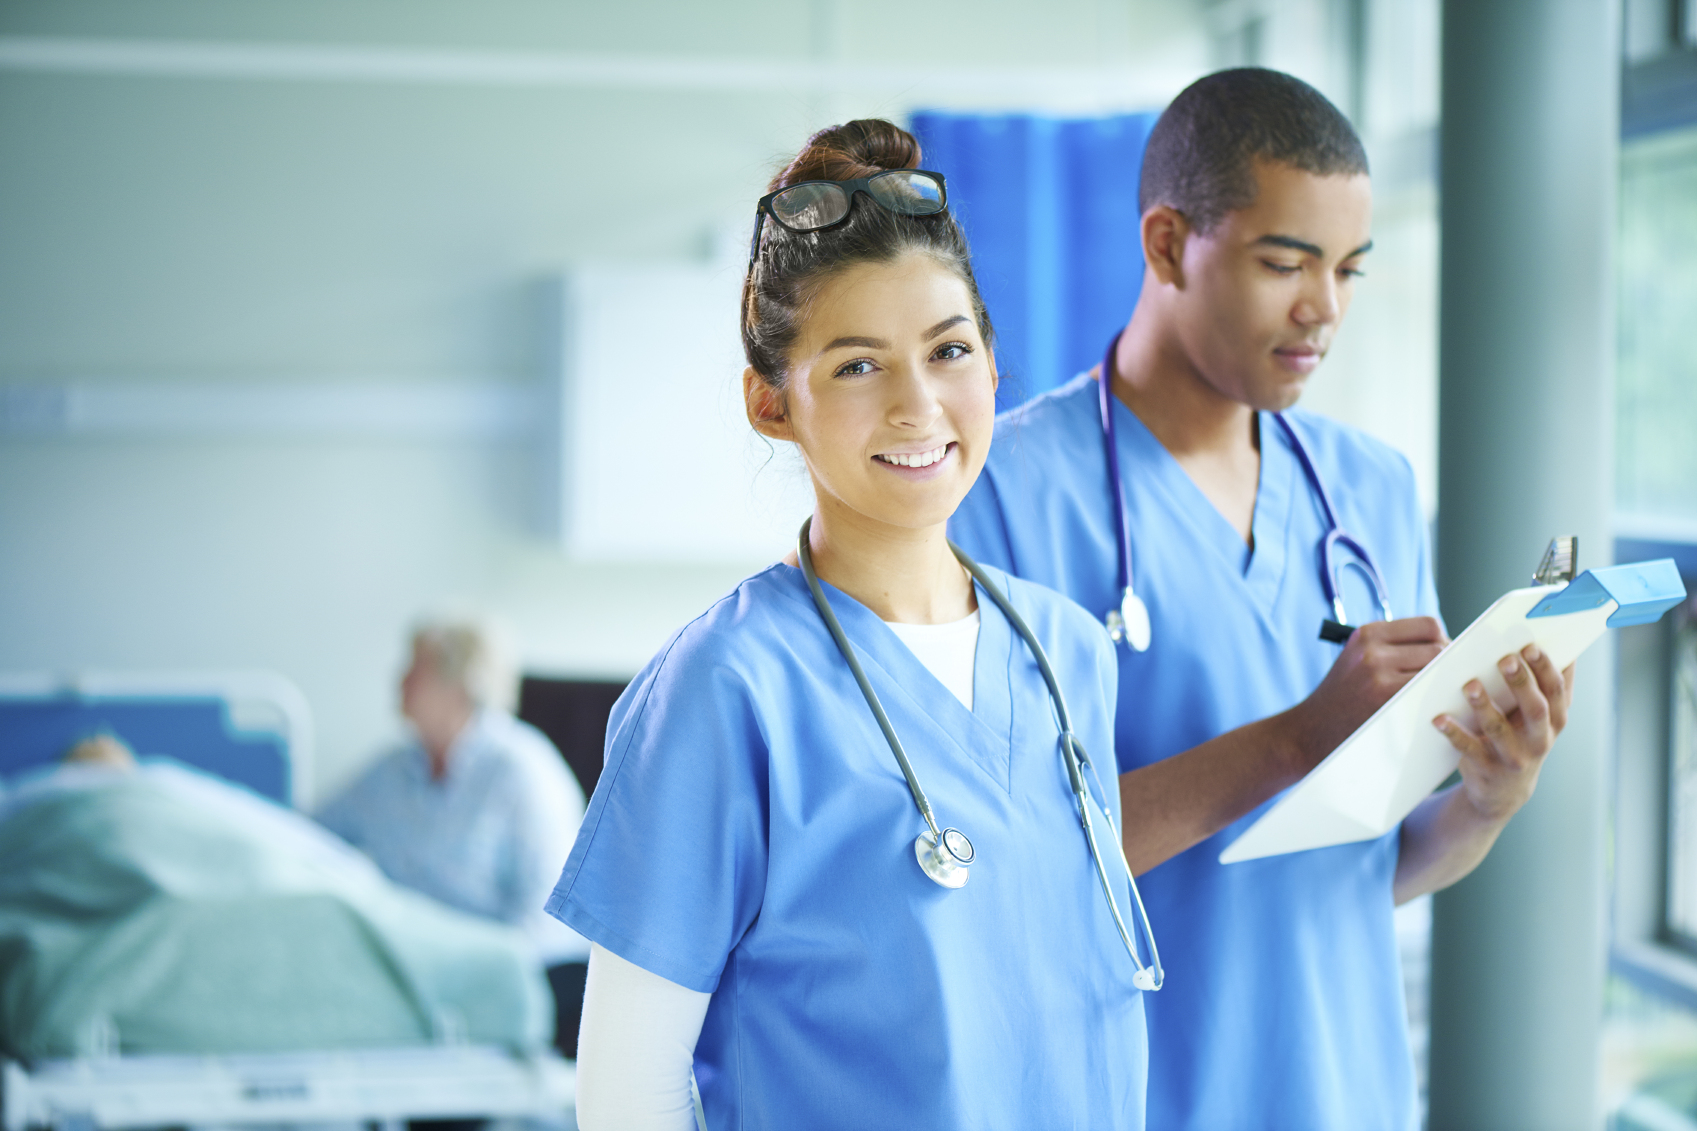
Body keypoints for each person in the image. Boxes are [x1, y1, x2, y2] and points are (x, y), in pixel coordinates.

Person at [949, 68, 1574, 1131]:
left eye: (1345, 270)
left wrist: (1485, 800)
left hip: (1347, 1095)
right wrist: (1294, 740)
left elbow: (1367, 869)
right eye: (1283, 262)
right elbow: (1000, 869)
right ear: (1163, 245)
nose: (1321, 309)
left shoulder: (1368, 489)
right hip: (1132, 1101)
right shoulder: (998, 497)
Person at [545, 120, 1154, 1131]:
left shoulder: (1064, 652)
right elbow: (626, 1093)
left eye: (948, 350)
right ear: (770, 403)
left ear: (994, 366)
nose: (919, 405)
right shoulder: (726, 687)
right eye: (857, 367)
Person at [318, 618, 591, 1055]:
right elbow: (311, 837)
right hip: (411, 973)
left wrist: (469, 976)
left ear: (460, 684)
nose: (400, 680)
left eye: (416, 668)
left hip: (503, 984)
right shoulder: (392, 772)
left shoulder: (522, 772)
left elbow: (550, 918)